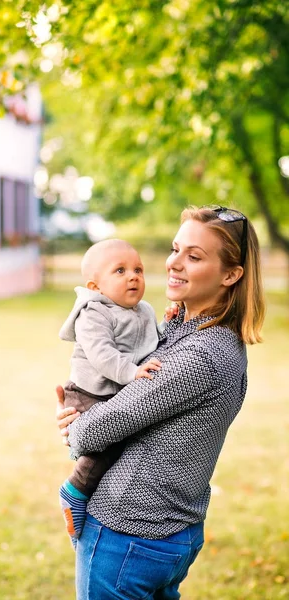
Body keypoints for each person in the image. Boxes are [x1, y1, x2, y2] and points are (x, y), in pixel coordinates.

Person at [56, 205, 265, 600]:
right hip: (168, 530)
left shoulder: (203, 353)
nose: (174, 263)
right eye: (175, 248)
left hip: (129, 532)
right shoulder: (192, 330)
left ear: (231, 275)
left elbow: (97, 429)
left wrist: (74, 423)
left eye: (194, 256)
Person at [58, 239, 168, 546]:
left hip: (114, 392)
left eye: (138, 269)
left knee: (122, 446)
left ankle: (92, 496)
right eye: (120, 271)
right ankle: (75, 490)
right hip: (88, 391)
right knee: (105, 443)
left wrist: (167, 324)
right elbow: (102, 354)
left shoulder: (143, 310)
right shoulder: (93, 313)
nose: (133, 276)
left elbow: (150, 342)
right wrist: (132, 372)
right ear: (96, 285)